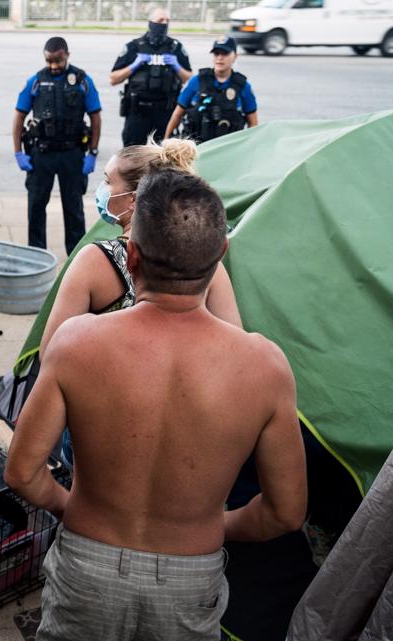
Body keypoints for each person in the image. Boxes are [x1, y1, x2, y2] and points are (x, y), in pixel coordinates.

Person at [5, 169, 307, 641]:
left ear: (131, 255)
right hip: (191, 576)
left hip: (88, 564)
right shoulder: (265, 366)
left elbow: (22, 472)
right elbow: (286, 513)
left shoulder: (76, 344)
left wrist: (70, 506)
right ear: (219, 254)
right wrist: (214, 526)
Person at [37, 138, 242, 467]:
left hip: (100, 433)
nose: (102, 190)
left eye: (107, 181)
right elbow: (234, 352)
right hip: (182, 436)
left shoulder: (94, 261)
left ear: (134, 200)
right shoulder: (207, 266)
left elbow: (51, 355)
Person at [13, 37, 102, 256]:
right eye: (49, 61)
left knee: (74, 209)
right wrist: (18, 152)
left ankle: (76, 257)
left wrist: (92, 152)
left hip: (72, 154)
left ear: (67, 55)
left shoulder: (82, 81)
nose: (53, 66)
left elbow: (96, 117)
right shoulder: (35, 81)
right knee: (36, 206)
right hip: (41, 154)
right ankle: (36, 255)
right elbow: (18, 116)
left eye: (58, 61)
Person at [109, 7, 192, 146]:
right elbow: (113, 79)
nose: (164, 23)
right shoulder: (134, 47)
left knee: (164, 157)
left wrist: (177, 67)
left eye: (167, 21)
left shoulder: (175, 47)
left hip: (165, 111)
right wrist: (134, 65)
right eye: (160, 20)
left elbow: (189, 80)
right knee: (133, 156)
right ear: (150, 22)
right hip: (138, 111)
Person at [165, 36, 259, 142]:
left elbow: (253, 122)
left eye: (225, 54)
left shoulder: (242, 86)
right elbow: (178, 113)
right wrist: (166, 140)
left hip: (228, 148)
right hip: (196, 148)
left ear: (235, 56)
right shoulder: (197, 80)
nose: (220, 58)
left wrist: (250, 145)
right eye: (216, 54)